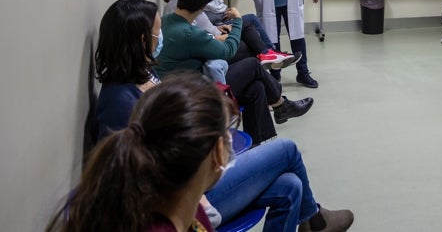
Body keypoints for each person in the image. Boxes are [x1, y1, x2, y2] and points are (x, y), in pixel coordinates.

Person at [51, 76, 355, 232]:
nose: (230, 142)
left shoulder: (184, 206)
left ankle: (312, 219)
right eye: (226, 135)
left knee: (290, 185)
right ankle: (314, 219)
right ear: (215, 155)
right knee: (287, 150)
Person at [158, 0, 313, 144]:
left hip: (182, 85)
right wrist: (238, 20)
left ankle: (261, 136)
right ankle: (280, 105)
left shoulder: (167, 20)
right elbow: (228, 50)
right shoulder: (189, 33)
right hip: (196, 92)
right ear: (203, 5)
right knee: (253, 65)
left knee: (256, 87)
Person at [162, 0, 298, 73]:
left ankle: (268, 53)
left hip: (214, 33)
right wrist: (220, 34)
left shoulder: (182, 10)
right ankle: (267, 54)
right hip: (212, 42)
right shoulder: (180, 7)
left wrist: (216, 29)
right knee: (249, 45)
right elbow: (196, 36)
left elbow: (197, 27)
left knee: (248, 25)